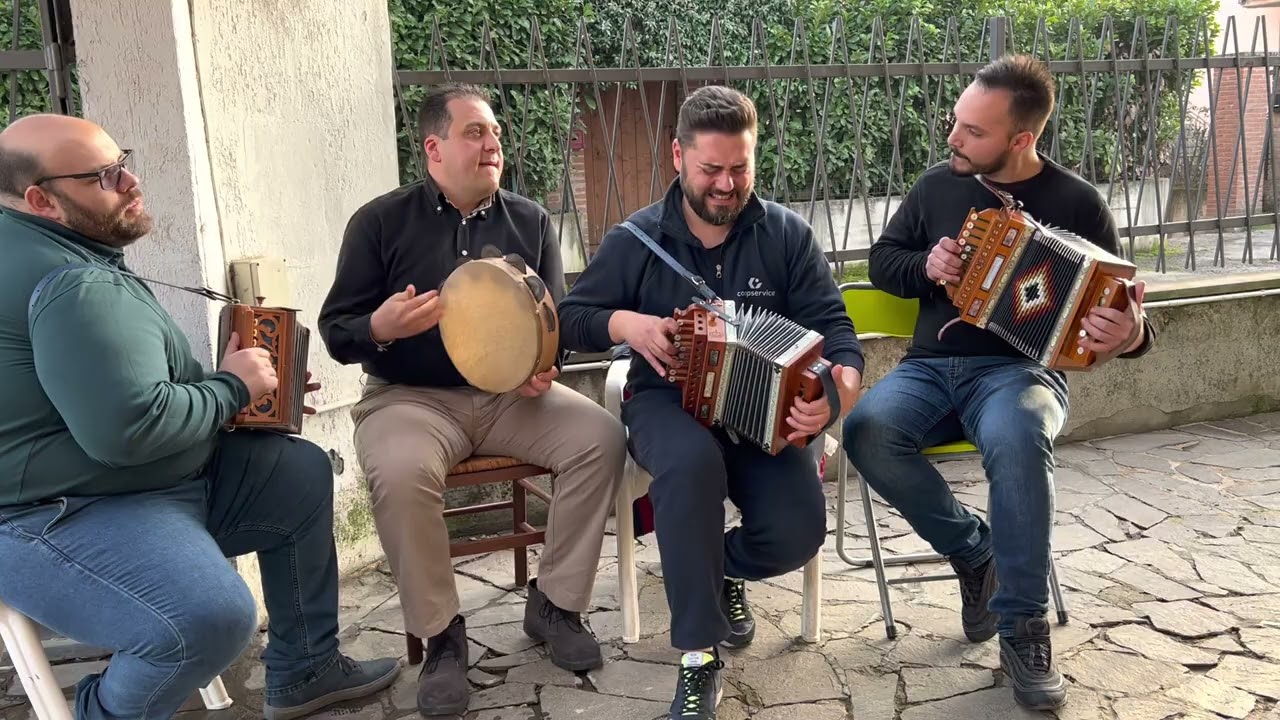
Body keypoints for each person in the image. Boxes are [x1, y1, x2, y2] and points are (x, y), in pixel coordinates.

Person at [0, 114, 401, 720]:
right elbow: (129, 431)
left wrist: (245, 390)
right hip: (61, 514)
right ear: (41, 199)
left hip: (135, 484)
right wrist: (231, 389)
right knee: (206, 619)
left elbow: (108, 388)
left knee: (294, 471)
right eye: (105, 176)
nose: (132, 181)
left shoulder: (52, 248)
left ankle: (306, 668)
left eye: (124, 159)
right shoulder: (72, 281)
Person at [842, 54, 1156, 711]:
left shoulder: (1077, 204)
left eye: (973, 131)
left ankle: (1022, 627)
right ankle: (973, 550)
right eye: (955, 122)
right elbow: (883, 262)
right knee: (868, 428)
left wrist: (1125, 334)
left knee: (1018, 435)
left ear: (1022, 139)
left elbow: (1125, 317)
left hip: (1021, 373)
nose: (953, 138)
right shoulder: (936, 186)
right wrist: (925, 265)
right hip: (929, 366)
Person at [317, 83, 626, 717]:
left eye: (495, 135)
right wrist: (381, 326)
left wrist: (547, 366)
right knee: (400, 473)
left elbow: (557, 322)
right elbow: (336, 329)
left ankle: (556, 604)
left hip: (512, 398)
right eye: (475, 133)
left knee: (601, 437)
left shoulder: (530, 219)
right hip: (410, 399)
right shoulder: (378, 222)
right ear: (434, 148)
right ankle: (443, 638)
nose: (492, 145)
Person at [557, 85, 863, 720]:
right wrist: (626, 325)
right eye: (711, 170)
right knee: (691, 467)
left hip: (760, 415)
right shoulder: (636, 239)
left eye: (740, 168)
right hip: (665, 402)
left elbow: (836, 330)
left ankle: (715, 569)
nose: (726, 184)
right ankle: (698, 658)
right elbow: (568, 319)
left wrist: (837, 392)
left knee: (797, 534)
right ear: (678, 156)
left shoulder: (786, 235)